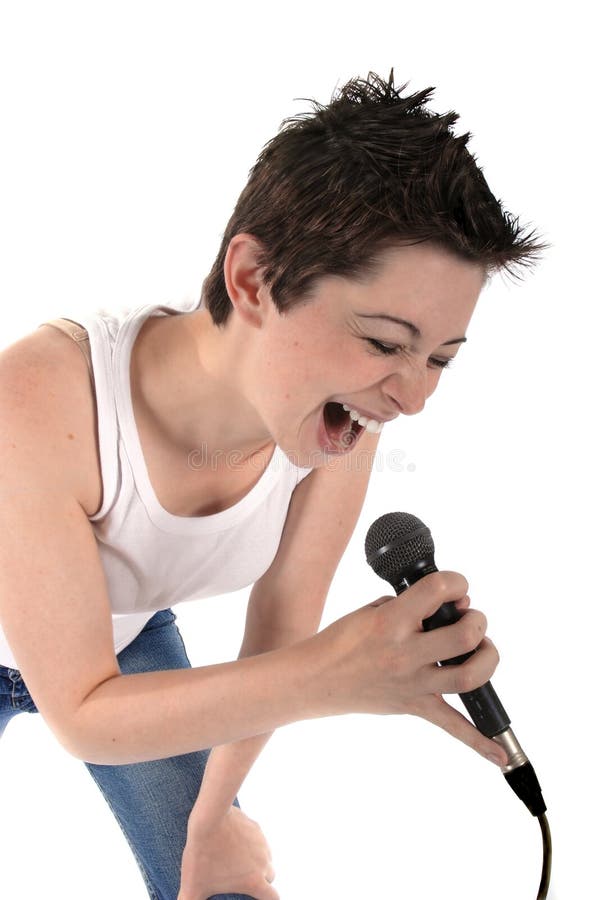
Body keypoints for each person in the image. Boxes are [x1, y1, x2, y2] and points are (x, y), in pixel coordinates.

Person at [0, 70, 548, 900]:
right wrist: (336, 674)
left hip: (123, 643)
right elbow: (82, 711)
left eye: (439, 359)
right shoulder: (40, 399)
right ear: (254, 279)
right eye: (384, 342)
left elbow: (282, 631)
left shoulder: (340, 423)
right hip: (89, 683)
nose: (414, 396)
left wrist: (212, 820)